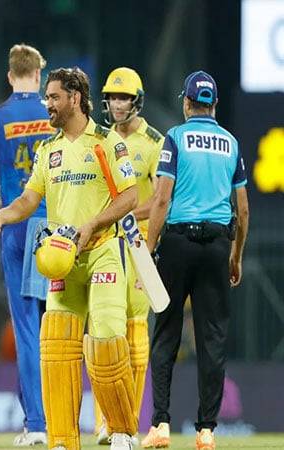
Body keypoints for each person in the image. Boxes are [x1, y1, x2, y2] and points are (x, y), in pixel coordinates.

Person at [0, 67, 139, 450]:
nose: (47, 104)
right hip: (62, 260)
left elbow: (130, 197)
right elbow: (28, 200)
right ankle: (63, 439)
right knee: (54, 349)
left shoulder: (107, 143)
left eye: (53, 97)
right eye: (46, 97)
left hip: (102, 252)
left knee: (105, 343)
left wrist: (91, 225)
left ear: (74, 98)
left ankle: (122, 430)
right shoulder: (48, 150)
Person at [142, 71, 249, 450]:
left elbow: (161, 199)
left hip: (178, 242)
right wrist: (235, 255)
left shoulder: (176, 137)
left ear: (187, 103)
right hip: (218, 245)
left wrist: (150, 250)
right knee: (212, 337)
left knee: (166, 332)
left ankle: (161, 425)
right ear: (214, 105)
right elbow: (244, 209)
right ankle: (206, 431)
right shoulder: (232, 143)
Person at [0, 43, 54, 447]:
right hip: (56, 229)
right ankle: (63, 420)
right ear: (38, 75)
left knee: (26, 331)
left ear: (9, 75)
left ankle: (35, 424)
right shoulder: (55, 115)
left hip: (15, 227)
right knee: (59, 327)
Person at [93, 67, 164, 445]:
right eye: (112, 97)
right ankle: (105, 419)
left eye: (124, 98)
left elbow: (157, 201)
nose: (117, 104)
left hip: (136, 246)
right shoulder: (99, 139)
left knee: (135, 335)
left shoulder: (154, 142)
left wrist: (121, 212)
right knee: (105, 333)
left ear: (136, 101)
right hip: (104, 244)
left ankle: (127, 421)